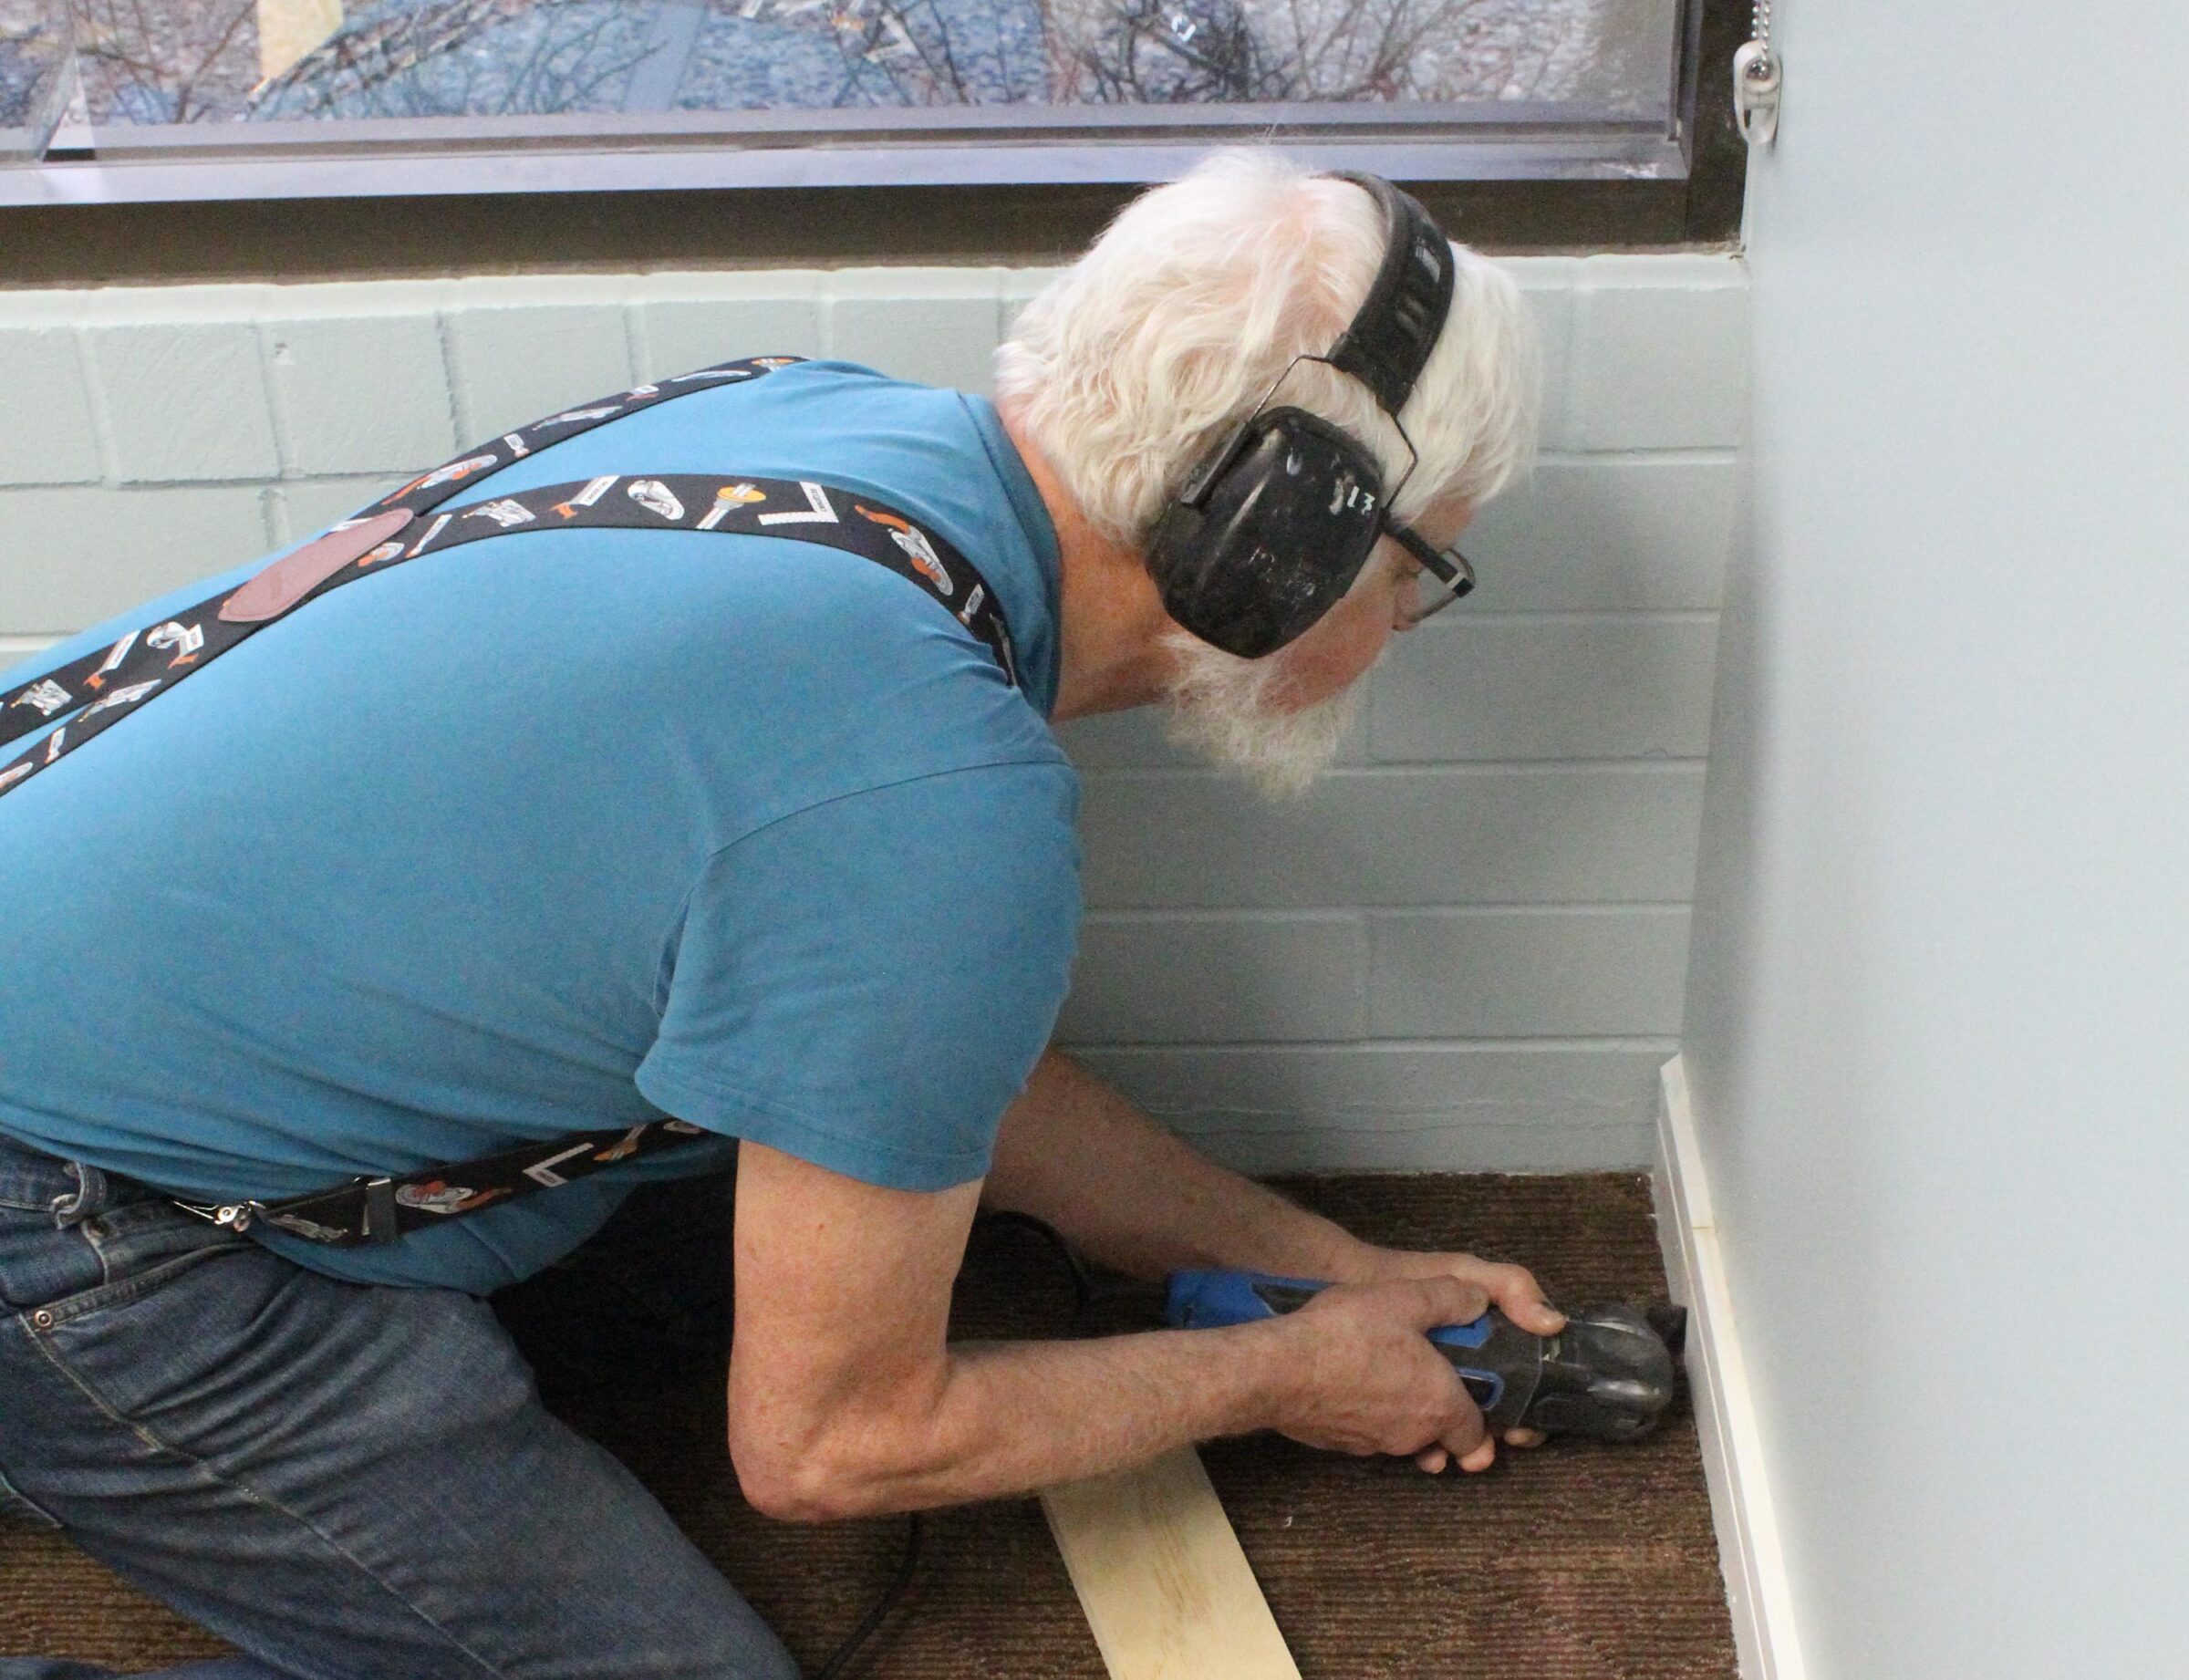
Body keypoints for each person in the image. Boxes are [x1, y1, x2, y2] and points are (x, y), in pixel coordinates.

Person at [0, 150, 1547, 1679]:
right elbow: (831, 1447)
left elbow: (916, 1068)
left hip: (94, 1027)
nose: (1408, 614)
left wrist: (1325, 1261)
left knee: (885, 1246)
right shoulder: (933, 798)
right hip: (70, 1214)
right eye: (1420, 565)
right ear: (1282, 529)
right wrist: (1280, 1375)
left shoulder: (819, 423)